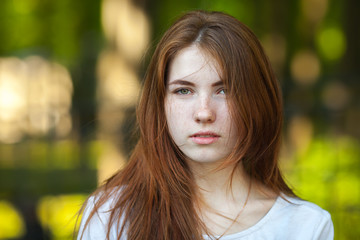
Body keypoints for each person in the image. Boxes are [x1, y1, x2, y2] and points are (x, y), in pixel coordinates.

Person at [77, 10, 334, 240]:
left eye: (224, 90)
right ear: (161, 104)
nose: (204, 113)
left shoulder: (305, 227)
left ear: (256, 101)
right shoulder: (112, 216)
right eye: (184, 91)